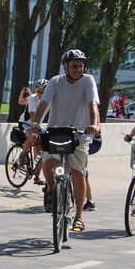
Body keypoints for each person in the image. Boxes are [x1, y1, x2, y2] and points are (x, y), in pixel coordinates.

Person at [30, 49, 100, 232]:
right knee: (47, 160)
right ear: (65, 67)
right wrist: (36, 123)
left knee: (78, 173)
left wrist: (93, 125)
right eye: (74, 66)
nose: (78, 69)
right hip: (56, 130)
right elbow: (44, 104)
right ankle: (51, 189)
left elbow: (93, 104)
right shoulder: (55, 81)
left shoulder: (88, 81)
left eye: (81, 65)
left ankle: (78, 217)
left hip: (79, 134)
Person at [19, 79, 49, 185]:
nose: (40, 94)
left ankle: (36, 176)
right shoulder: (32, 98)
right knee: (33, 136)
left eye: (43, 92)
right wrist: (36, 128)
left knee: (41, 153)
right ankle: (22, 155)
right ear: (36, 90)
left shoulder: (50, 100)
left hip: (37, 125)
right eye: (39, 91)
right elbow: (32, 116)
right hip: (25, 123)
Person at [83, 132, 102, 211]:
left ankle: (90, 201)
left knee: (82, 171)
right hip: (70, 137)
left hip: (92, 141)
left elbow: (96, 126)